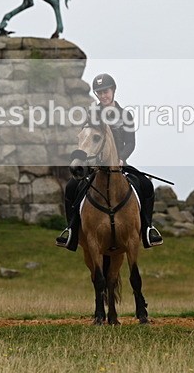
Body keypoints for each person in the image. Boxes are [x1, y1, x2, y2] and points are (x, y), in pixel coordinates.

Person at [57, 73, 162, 251]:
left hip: (119, 163)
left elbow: (130, 142)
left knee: (146, 185)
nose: (103, 95)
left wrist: (121, 158)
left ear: (113, 90)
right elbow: (85, 139)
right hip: (94, 165)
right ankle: (71, 231)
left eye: (105, 91)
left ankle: (147, 230)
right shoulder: (92, 114)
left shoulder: (125, 115)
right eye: (99, 93)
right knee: (71, 187)